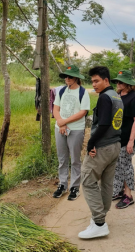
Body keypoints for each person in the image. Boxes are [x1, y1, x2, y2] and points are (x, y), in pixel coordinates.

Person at [78, 66, 124, 239]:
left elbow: (103, 124)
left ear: (106, 80)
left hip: (103, 146)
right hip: (115, 145)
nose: (94, 85)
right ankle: (101, 218)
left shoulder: (105, 98)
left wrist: (91, 143)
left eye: (96, 81)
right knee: (106, 183)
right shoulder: (116, 97)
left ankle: (98, 223)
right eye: (92, 81)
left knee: (87, 180)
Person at [52, 65, 90, 201]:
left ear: (76, 78)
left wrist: (65, 122)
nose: (67, 79)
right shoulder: (61, 91)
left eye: (70, 77)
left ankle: (74, 186)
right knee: (62, 159)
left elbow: (83, 112)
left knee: (75, 159)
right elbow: (55, 109)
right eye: (66, 76)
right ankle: (62, 184)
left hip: (76, 129)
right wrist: (60, 122)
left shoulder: (82, 92)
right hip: (60, 128)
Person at [111, 70, 135, 209]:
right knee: (118, 165)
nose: (118, 84)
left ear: (128, 84)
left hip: (128, 138)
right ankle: (119, 190)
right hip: (118, 137)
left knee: (126, 166)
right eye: (117, 81)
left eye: (120, 82)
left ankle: (128, 195)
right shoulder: (118, 96)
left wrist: (131, 140)